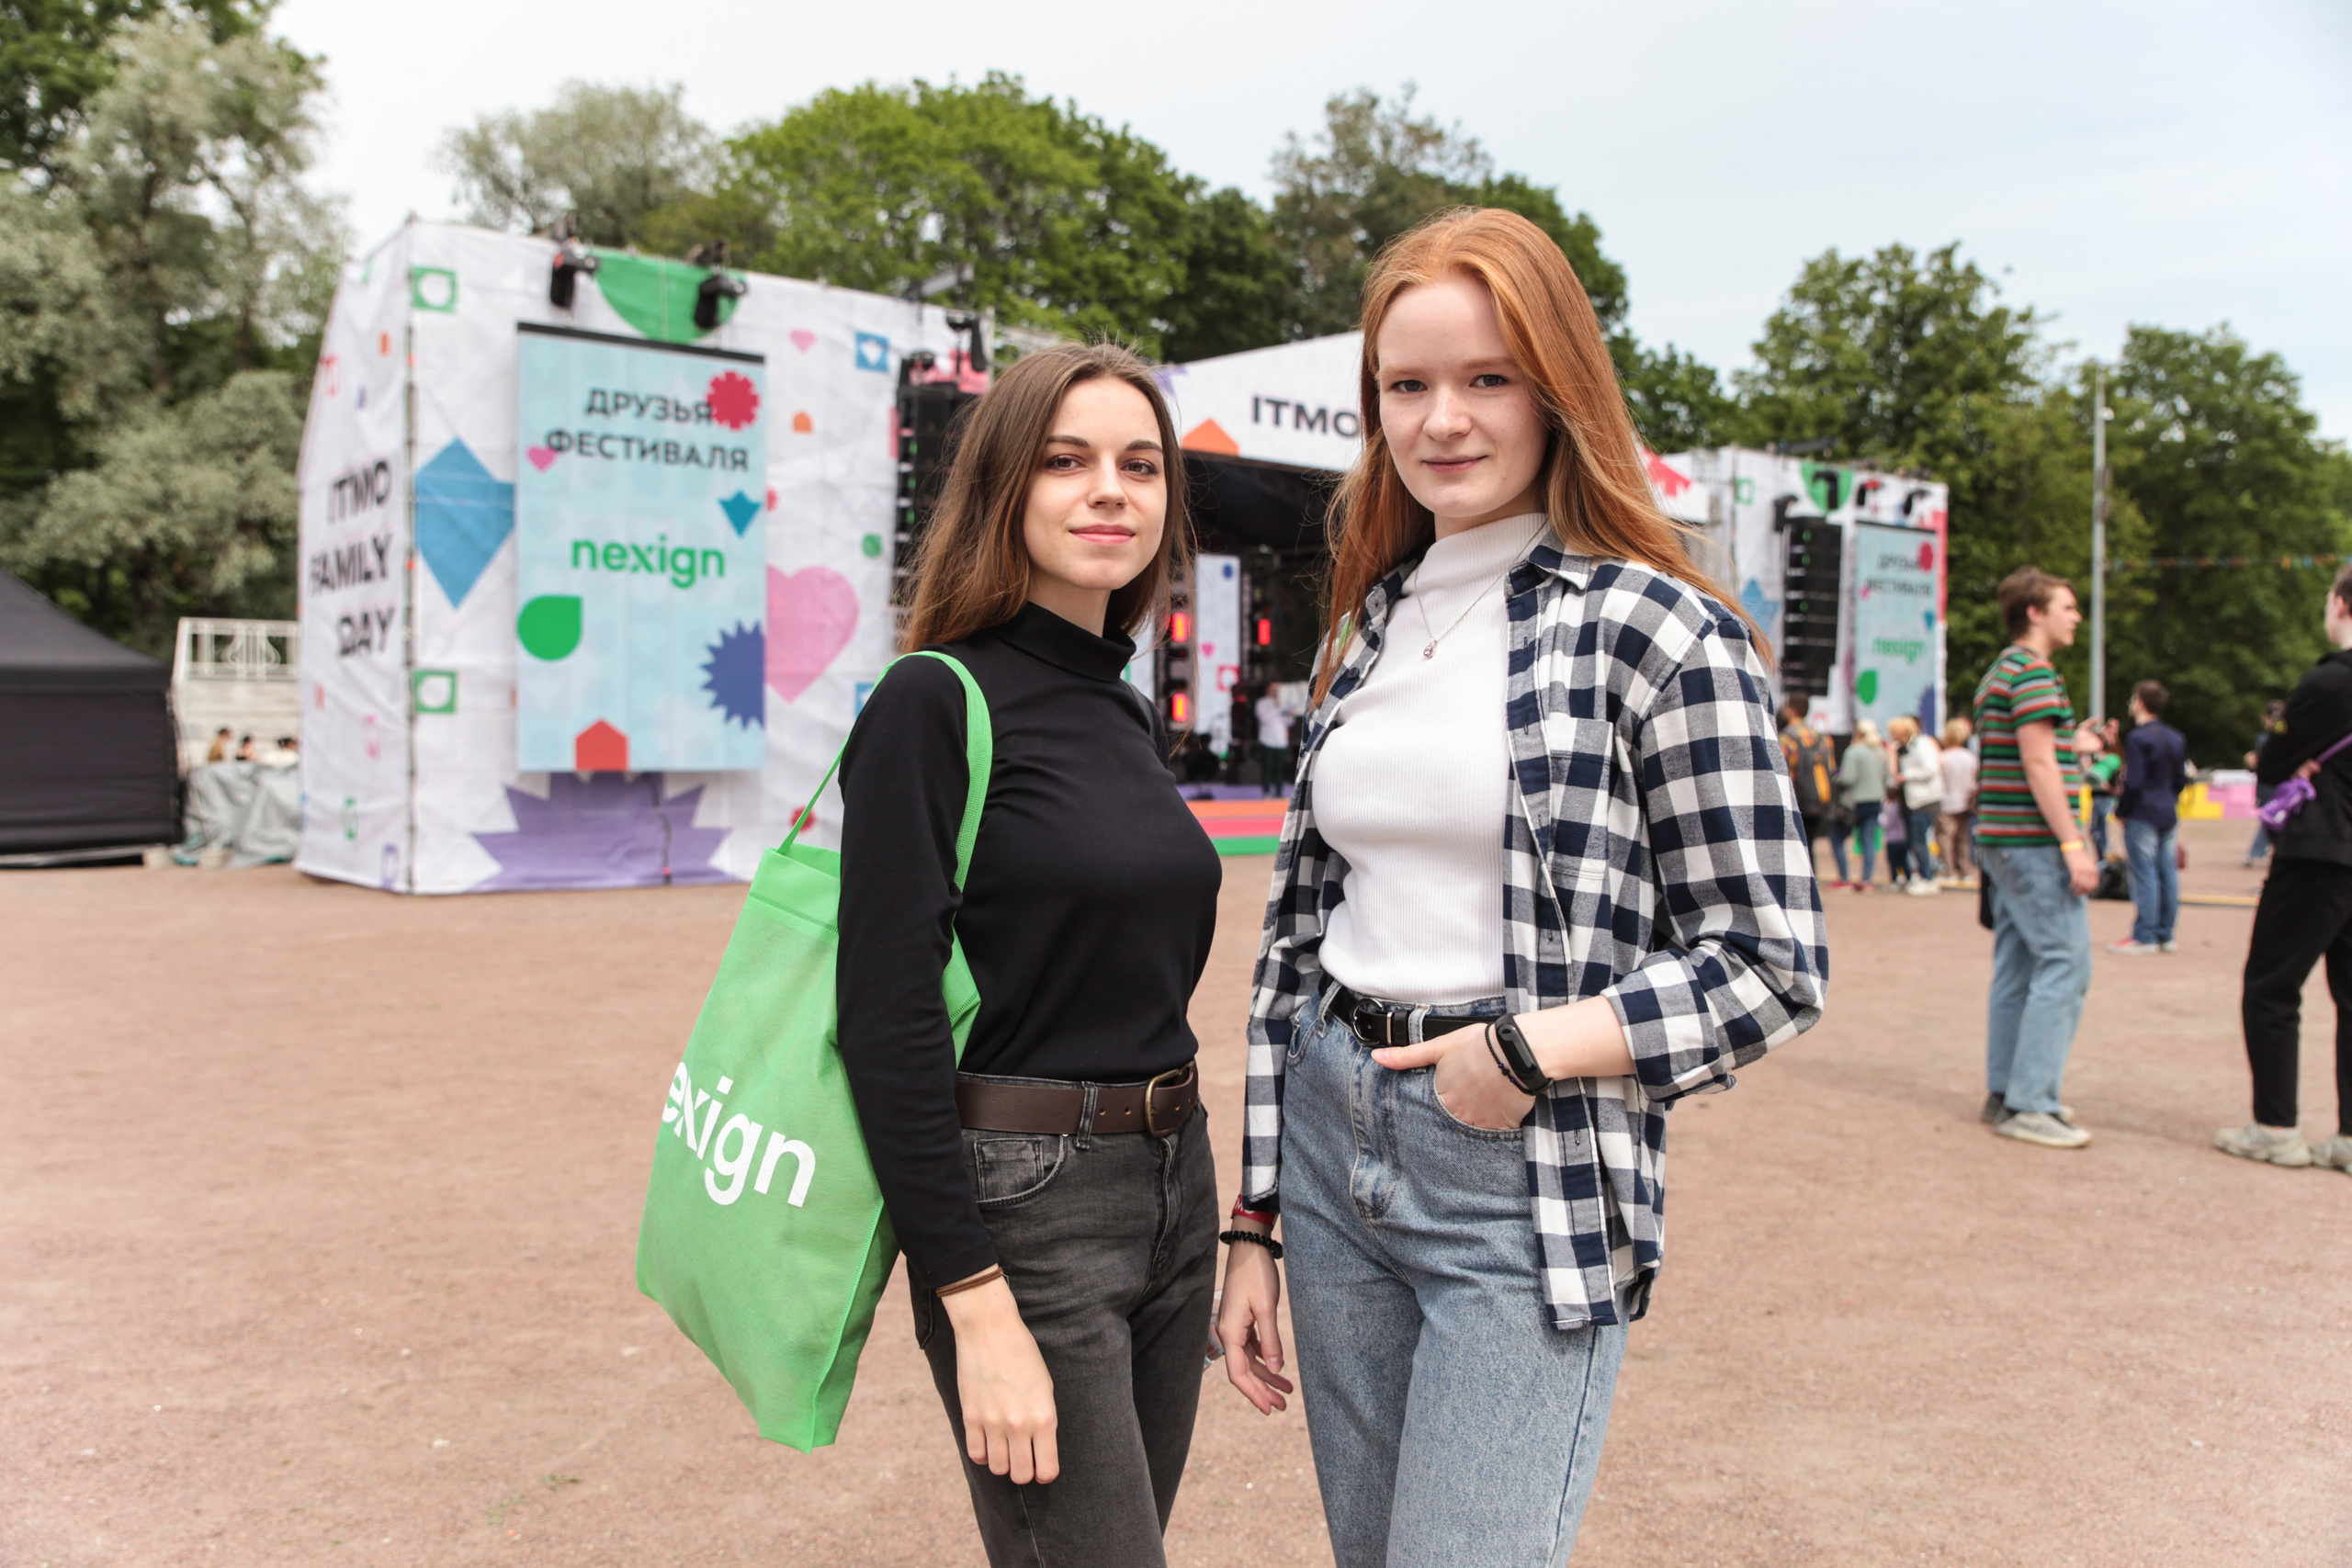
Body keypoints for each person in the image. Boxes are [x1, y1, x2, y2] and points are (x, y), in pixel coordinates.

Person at [1214, 208, 1826, 1568]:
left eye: (1486, 377)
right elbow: (1294, 943)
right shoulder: (1371, 620)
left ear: (1557, 390)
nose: (1441, 420)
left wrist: (1524, 1054)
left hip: (1519, 1156)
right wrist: (1251, 1215)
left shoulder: (1658, 626)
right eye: (1407, 384)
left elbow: (1770, 962)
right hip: (1329, 1133)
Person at [834, 343, 1226, 1566]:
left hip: (1176, 1181)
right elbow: (886, 1016)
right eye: (1067, 460)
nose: (1110, 489)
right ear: (1005, 487)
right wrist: (971, 1299)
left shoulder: (1121, 708)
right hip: (1027, 1207)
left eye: (1140, 466)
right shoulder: (931, 699)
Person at [2224, 567, 2352, 1172]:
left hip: (2319, 850)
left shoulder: (2330, 680)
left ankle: (2276, 1127)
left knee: (2271, 986)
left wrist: (2298, 760)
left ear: (2342, 604)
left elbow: (2273, 759)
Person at [1973, 566, 2098, 1149]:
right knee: (2065, 963)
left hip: (2004, 838)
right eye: (2066, 607)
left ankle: (2006, 1092)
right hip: (2032, 841)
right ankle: (2031, 1101)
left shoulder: (2003, 670)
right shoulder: (2034, 674)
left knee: (2018, 967)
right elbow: (2040, 761)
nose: (2076, 617)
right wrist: (2073, 842)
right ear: (2035, 612)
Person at [2109, 680, 2188, 956]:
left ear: (2140, 703)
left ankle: (2144, 935)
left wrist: (2122, 810)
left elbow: (2134, 781)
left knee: (2144, 873)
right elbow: (2181, 778)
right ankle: (2166, 934)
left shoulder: (2138, 738)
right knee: (2167, 872)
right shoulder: (2175, 737)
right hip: (2167, 810)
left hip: (2143, 811)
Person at [1780, 694, 1839, 885]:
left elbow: (1781, 769)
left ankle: (1797, 885)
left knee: (1793, 845)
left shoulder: (1786, 738)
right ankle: (1811, 883)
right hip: (1818, 798)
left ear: (1791, 710)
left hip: (1796, 798)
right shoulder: (1822, 738)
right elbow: (1831, 768)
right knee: (1810, 843)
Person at [1890, 714, 1944, 896]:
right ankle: (1923, 876)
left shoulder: (1921, 745)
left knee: (1919, 841)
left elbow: (1931, 768)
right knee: (1915, 841)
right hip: (1914, 801)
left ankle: (1928, 878)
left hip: (1924, 800)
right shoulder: (1904, 748)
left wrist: (1906, 776)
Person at [1837, 718, 1889, 889]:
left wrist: (1836, 779)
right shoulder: (1880, 751)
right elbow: (1886, 776)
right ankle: (1867, 880)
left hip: (1855, 802)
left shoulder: (1854, 751)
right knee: (1868, 840)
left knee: (1836, 837)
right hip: (1876, 800)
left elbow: (1848, 778)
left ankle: (1844, 878)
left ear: (1857, 733)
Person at [2245, 699, 2287, 867]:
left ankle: (2255, 854)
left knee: (2269, 821)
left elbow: (2261, 767)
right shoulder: (2291, 737)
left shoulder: (2264, 739)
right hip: (2284, 787)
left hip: (2268, 787)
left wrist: (2251, 763)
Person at [1938, 716, 1978, 884]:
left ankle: (1949, 871)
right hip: (1965, 802)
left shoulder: (1943, 757)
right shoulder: (1970, 757)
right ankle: (1965, 870)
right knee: (1963, 838)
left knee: (1945, 838)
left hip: (1946, 802)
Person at [2077, 721, 2120, 860]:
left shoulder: (2112, 758)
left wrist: (2109, 787)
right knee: (2095, 830)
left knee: (2098, 830)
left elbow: (2114, 782)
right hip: (2097, 796)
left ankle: (2105, 861)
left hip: (2104, 797)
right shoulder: (2098, 756)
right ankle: (2103, 860)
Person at [1254, 684, 1294, 798]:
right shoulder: (1262, 703)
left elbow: (1289, 722)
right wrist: (1276, 707)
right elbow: (1264, 719)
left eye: (1277, 690)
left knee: (1280, 768)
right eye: (1273, 689)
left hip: (1281, 741)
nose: (1275, 692)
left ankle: (1279, 792)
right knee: (1267, 767)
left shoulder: (1283, 703)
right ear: (1267, 690)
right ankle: (1266, 792)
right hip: (1267, 740)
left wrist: (1291, 715)